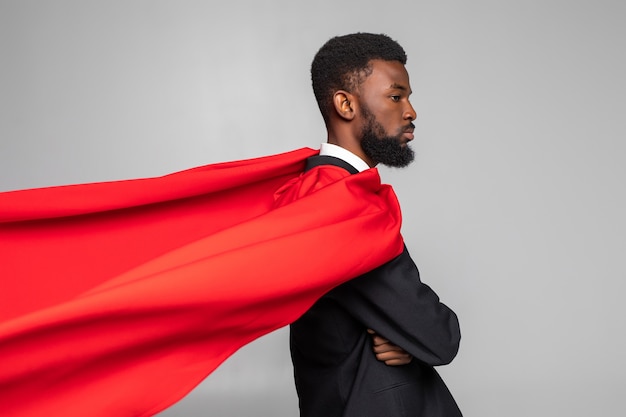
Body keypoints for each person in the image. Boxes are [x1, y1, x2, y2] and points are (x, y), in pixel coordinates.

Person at [273, 32, 462, 416]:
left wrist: (406, 336)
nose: (411, 111)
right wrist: (413, 335)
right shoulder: (341, 205)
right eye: (396, 96)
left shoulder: (315, 191)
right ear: (346, 104)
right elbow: (440, 335)